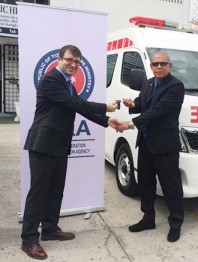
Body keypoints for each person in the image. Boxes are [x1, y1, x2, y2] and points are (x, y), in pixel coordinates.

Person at [21, 44, 120, 260]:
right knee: (38, 193)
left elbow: (77, 107)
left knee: (55, 190)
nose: (73, 65)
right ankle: (29, 239)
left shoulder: (69, 85)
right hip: (43, 143)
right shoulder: (51, 80)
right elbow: (75, 103)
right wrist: (105, 107)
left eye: (77, 62)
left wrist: (108, 122)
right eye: (69, 60)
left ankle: (49, 229)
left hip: (59, 144)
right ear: (59, 59)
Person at [120, 51, 185, 242]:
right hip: (146, 142)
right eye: (155, 64)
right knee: (146, 183)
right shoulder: (148, 83)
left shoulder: (176, 86)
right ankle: (148, 218)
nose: (159, 67)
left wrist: (130, 124)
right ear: (151, 66)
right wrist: (132, 104)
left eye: (163, 63)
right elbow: (143, 103)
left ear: (170, 66)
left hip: (165, 146)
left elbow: (158, 111)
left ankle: (175, 224)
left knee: (170, 186)